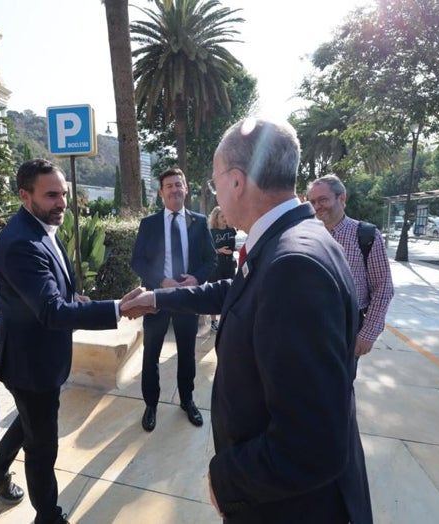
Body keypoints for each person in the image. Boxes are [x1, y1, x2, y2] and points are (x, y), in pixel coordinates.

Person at [122, 117, 372, 523]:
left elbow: (311, 443)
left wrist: (227, 480)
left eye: (216, 179)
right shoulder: (287, 240)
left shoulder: (294, 264)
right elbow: (235, 293)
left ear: (237, 181)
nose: (214, 191)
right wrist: (158, 297)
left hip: (289, 507)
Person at [0, 158, 137, 524]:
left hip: (42, 359)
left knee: (29, 421)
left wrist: (74, 302)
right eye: (51, 195)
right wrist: (118, 308)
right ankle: (48, 516)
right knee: (42, 448)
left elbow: (52, 297)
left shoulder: (40, 227)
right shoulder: (21, 242)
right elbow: (51, 312)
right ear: (24, 195)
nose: (62, 202)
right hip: (30, 365)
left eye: (64, 193)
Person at [130, 167, 217, 432]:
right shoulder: (149, 224)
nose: (175, 189)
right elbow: (138, 261)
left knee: (187, 353)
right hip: (157, 298)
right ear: (161, 193)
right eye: (169, 186)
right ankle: (151, 404)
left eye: (179, 184)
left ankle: (187, 400)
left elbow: (210, 259)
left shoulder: (199, 222)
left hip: (187, 299)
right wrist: (161, 281)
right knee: (151, 353)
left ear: (186, 189)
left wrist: (196, 279)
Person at [307, 174, 394, 357]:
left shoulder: (366, 236)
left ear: (342, 198)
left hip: (347, 325)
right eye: (312, 201)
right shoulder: (306, 235)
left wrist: (368, 334)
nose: (317, 207)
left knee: (341, 383)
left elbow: (383, 287)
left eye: (323, 199)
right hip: (310, 323)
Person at [207, 206, 237, 330]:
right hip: (216, 267)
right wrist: (220, 250)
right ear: (216, 218)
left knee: (230, 293)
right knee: (214, 293)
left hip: (229, 266)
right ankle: (214, 322)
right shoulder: (212, 233)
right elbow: (207, 251)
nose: (225, 219)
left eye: (226, 215)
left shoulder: (232, 230)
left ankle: (226, 319)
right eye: (221, 216)